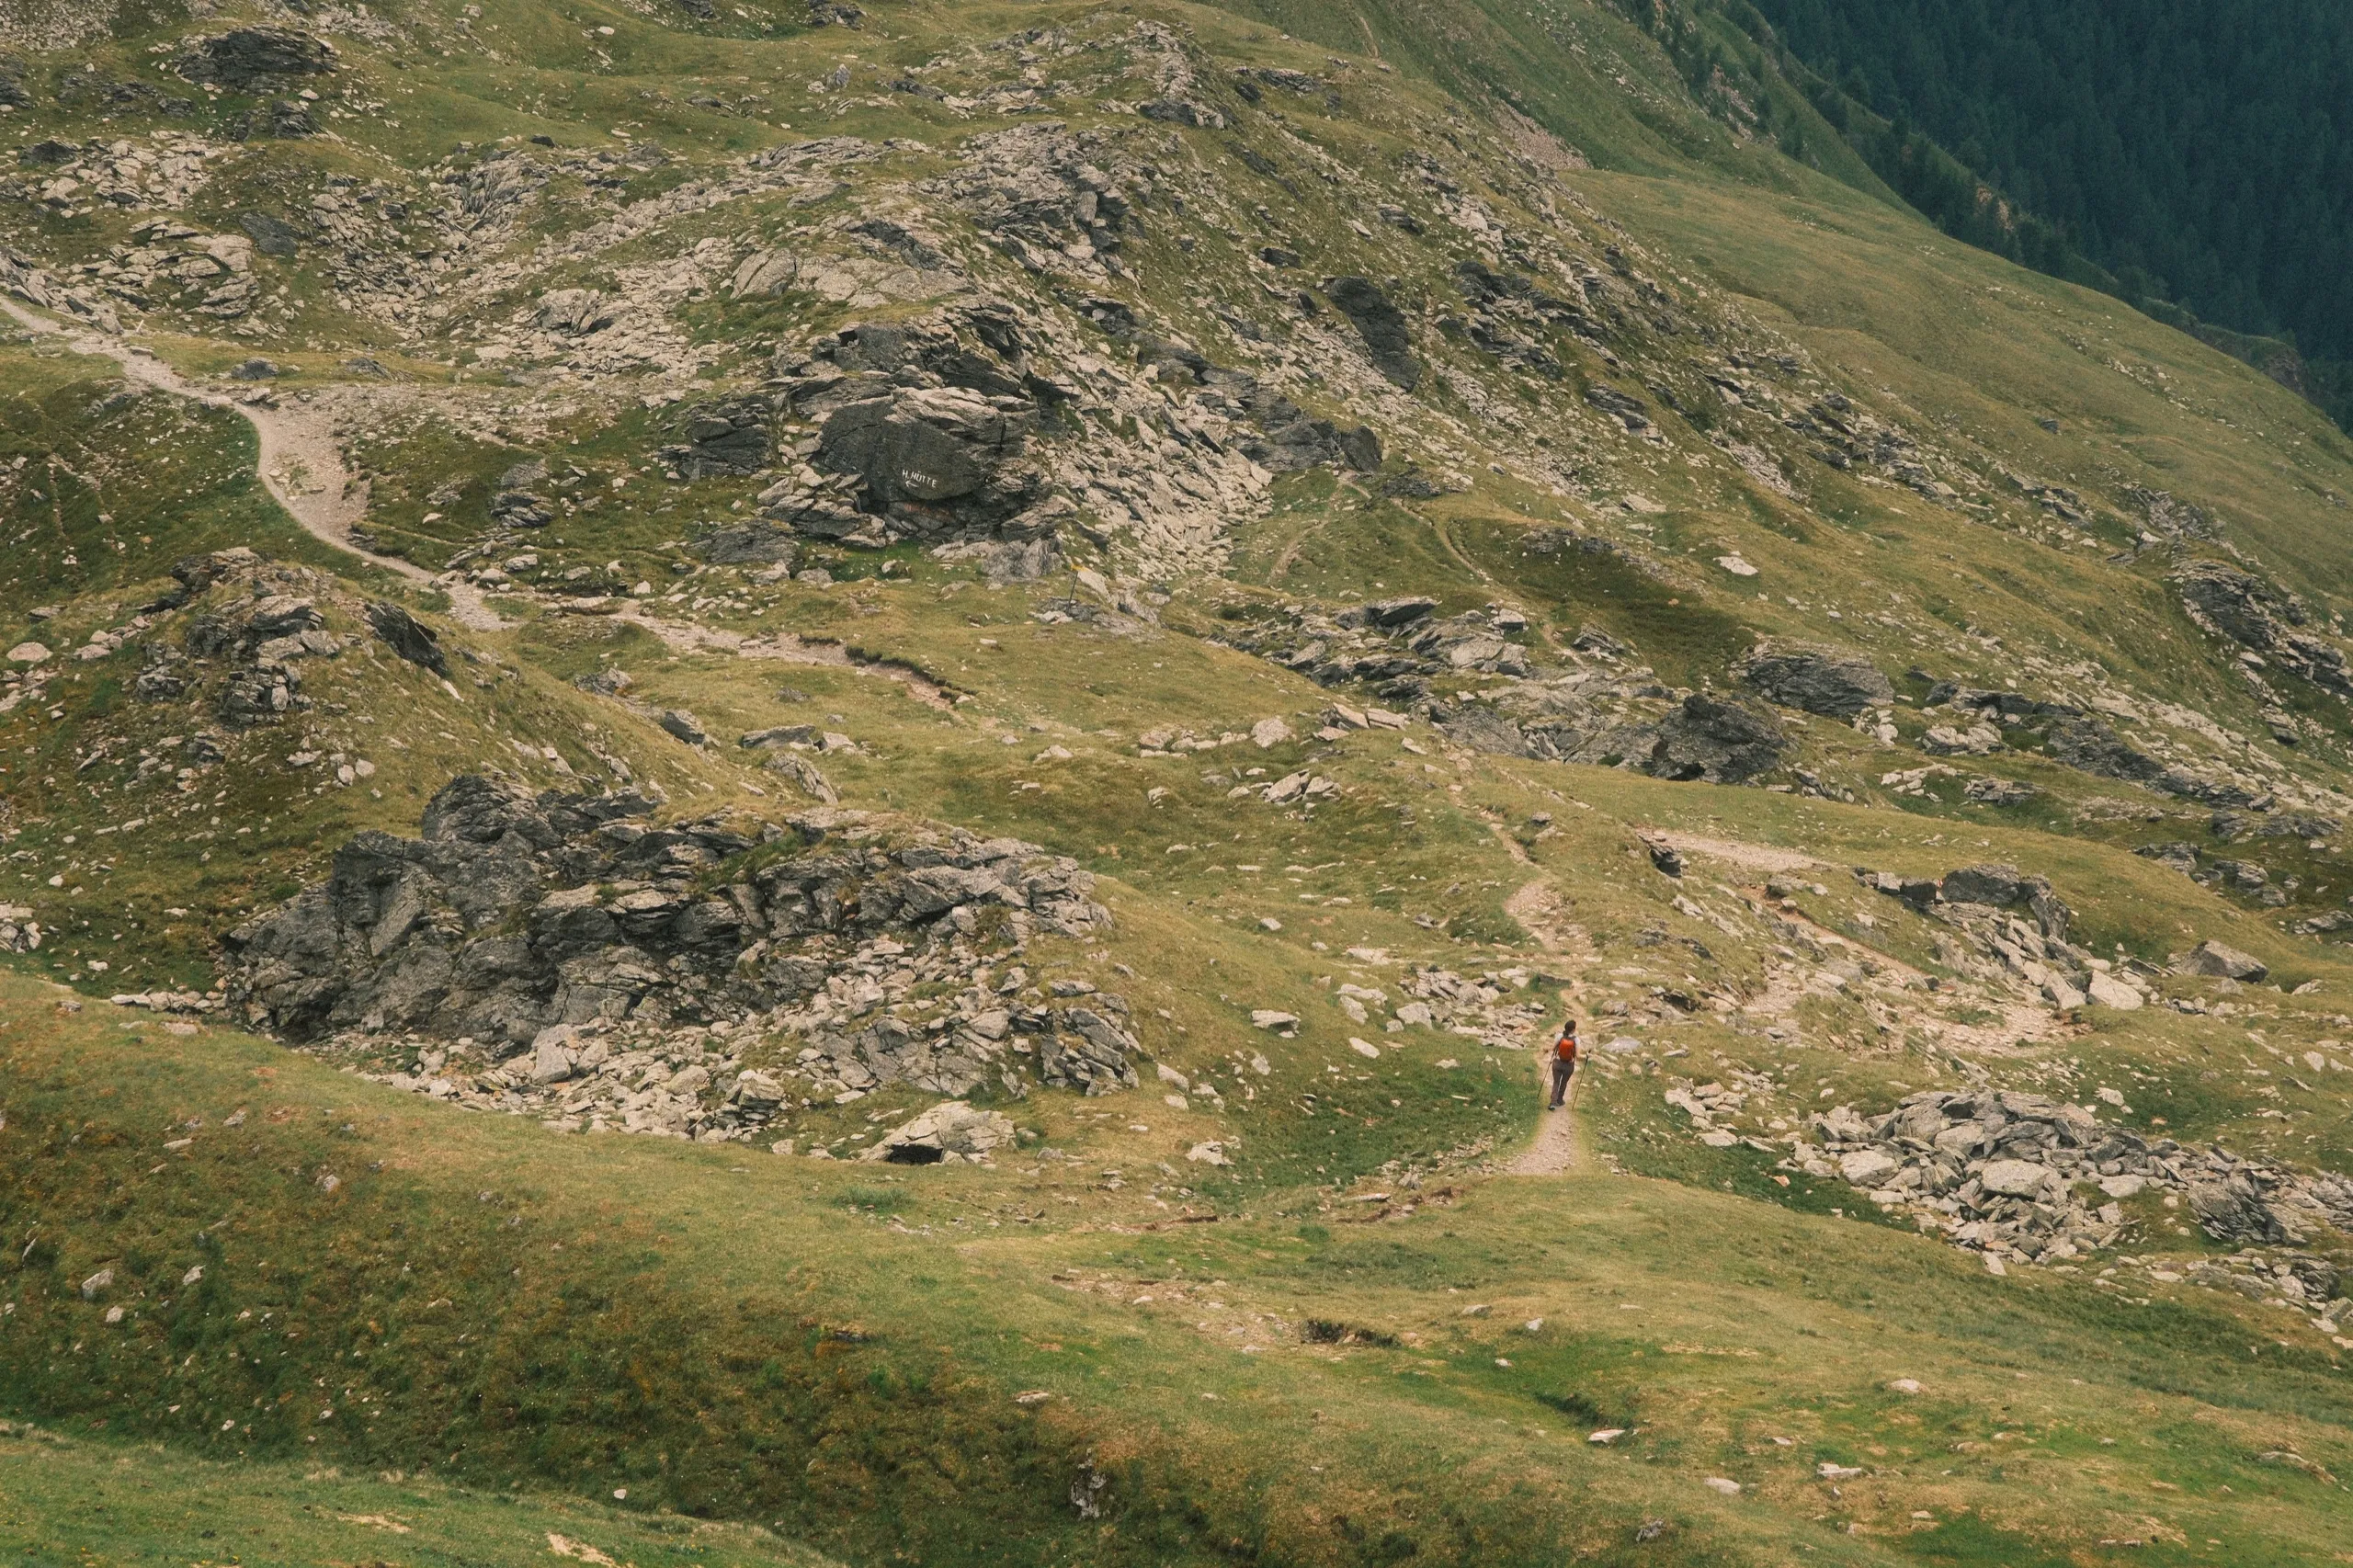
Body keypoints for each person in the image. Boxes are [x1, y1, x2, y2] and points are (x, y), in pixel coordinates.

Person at [1548, 1018, 1579, 1110]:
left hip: (1557, 1063)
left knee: (1556, 1082)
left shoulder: (1559, 1036)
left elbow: (1552, 1048)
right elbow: (1578, 1055)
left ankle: (1552, 1103)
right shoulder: (1576, 1040)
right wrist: (1587, 1056)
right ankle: (1560, 1100)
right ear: (1573, 1029)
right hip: (1568, 1065)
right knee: (1564, 1083)